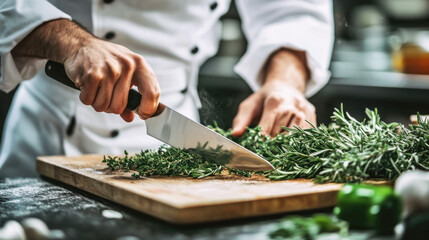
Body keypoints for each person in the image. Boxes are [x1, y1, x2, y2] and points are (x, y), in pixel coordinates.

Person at [0, 0, 334, 177]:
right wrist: (70, 42)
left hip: (173, 146)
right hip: (51, 131)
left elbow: (291, 9)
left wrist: (284, 81)